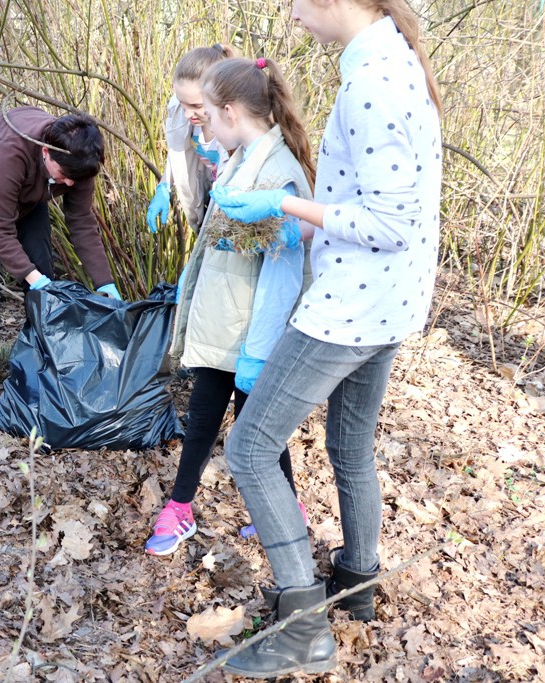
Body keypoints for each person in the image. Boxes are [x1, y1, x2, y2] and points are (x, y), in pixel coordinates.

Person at [208, 0, 443, 676]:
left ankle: (304, 624)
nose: (290, 14)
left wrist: (283, 203)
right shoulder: (393, 60)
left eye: (297, 2)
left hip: (354, 304)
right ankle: (356, 583)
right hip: (390, 301)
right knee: (349, 445)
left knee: (251, 447)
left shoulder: (373, 83)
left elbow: (389, 222)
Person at [146, 57, 316, 556]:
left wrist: (259, 349)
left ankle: (286, 517)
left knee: (256, 433)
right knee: (206, 418)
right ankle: (181, 508)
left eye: (207, 114)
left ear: (231, 111)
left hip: (247, 333)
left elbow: (283, 274)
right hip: (227, 322)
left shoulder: (277, 171)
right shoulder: (246, 155)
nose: (202, 126)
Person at [0, 106, 122, 413]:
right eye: (65, 177)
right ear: (46, 152)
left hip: (32, 194)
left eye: (76, 180)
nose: (69, 185)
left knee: (44, 274)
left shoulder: (78, 160)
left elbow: (81, 222)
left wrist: (105, 282)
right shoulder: (11, 152)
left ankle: (34, 366)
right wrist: (32, 278)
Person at [146, 44, 235, 235]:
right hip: (207, 196)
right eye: (182, 102)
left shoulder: (233, 130)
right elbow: (177, 152)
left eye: (196, 105)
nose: (187, 113)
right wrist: (164, 185)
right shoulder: (184, 113)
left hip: (229, 202)